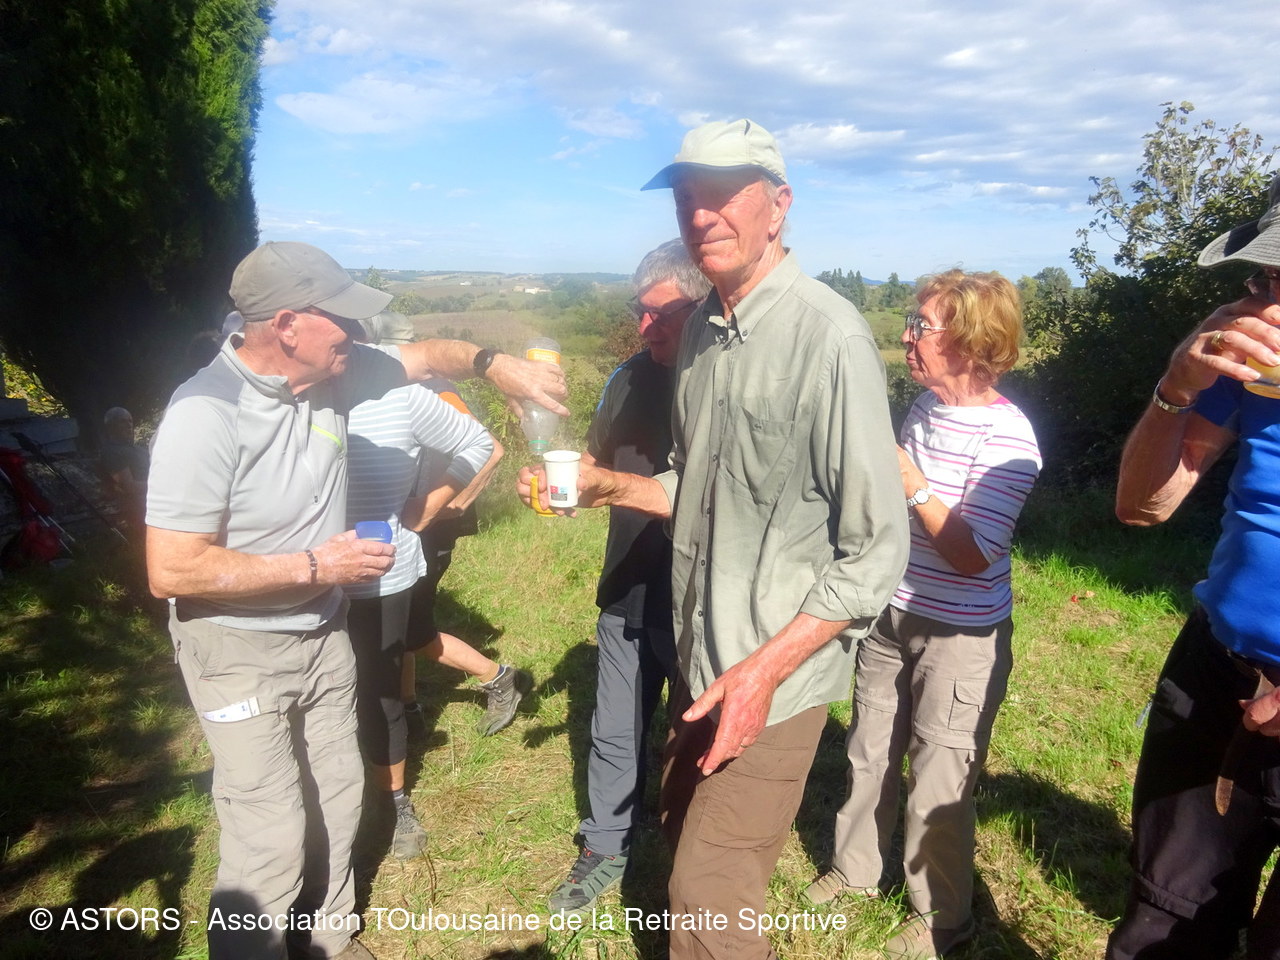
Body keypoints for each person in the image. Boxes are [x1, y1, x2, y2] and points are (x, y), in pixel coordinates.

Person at [520, 119, 908, 959]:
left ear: (779, 205)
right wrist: (606, 486)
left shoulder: (831, 338)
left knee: (707, 893)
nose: (702, 215)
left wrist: (763, 672)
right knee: (682, 833)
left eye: (726, 194)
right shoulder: (699, 329)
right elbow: (694, 483)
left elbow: (877, 549)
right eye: (687, 198)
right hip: (698, 655)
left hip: (773, 673)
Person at [146, 240, 566, 960]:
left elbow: (427, 357)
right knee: (269, 829)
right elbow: (171, 569)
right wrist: (318, 564)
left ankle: (331, 939)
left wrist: (496, 366)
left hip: (323, 632)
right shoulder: (204, 413)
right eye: (341, 319)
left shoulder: (331, 375)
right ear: (287, 326)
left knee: (340, 796)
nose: (358, 333)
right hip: (237, 649)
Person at [805, 271, 1041, 959]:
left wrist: (912, 486)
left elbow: (972, 554)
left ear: (970, 341)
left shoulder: (1010, 440)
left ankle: (941, 919)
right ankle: (854, 872)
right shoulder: (923, 409)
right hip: (891, 612)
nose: (907, 337)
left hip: (959, 636)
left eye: (921, 326)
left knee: (940, 776)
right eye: (910, 323)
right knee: (868, 750)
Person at [1108, 176, 1280, 958]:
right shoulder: (1252, 368)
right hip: (1219, 674)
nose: (1264, 303)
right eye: (1263, 278)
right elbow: (1144, 506)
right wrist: (1178, 386)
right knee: (1167, 923)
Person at [547, 239, 710, 913]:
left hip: (703, 598)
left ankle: (693, 863)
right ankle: (606, 847)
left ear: (703, 307)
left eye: (662, 315)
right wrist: (563, 483)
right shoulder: (625, 378)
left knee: (693, 738)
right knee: (614, 728)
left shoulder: (725, 380)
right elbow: (592, 458)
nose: (646, 327)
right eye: (639, 311)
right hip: (626, 586)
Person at [344, 314, 505, 862]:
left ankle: (392, 802)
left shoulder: (402, 398)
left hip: (381, 572)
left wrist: (431, 505)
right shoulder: (299, 399)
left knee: (378, 688)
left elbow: (480, 443)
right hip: (306, 574)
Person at [399, 375, 525, 744]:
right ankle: (407, 708)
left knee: (413, 631)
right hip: (410, 529)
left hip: (426, 534)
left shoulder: (436, 390)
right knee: (399, 625)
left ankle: (498, 677)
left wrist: (453, 505)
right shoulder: (395, 388)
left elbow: (491, 449)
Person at [100, 406, 148, 535]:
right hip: (139, 508)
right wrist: (162, 486)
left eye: (130, 421)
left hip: (159, 499)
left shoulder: (141, 450)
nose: (128, 425)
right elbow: (129, 486)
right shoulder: (112, 452)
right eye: (122, 421)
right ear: (111, 426)